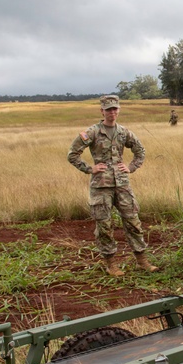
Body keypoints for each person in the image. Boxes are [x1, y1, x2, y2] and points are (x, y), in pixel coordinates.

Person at [68, 95, 159, 277]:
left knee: (133, 221)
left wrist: (131, 167)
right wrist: (89, 168)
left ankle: (142, 261)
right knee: (104, 226)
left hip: (122, 185)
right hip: (101, 186)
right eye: (108, 109)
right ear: (102, 111)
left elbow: (140, 150)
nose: (112, 112)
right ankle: (111, 264)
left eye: (115, 109)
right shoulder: (92, 132)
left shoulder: (124, 132)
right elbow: (73, 154)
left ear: (119, 110)